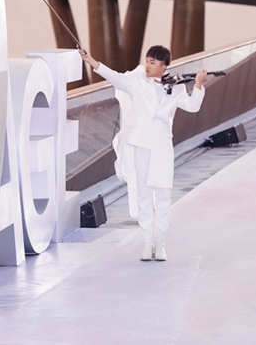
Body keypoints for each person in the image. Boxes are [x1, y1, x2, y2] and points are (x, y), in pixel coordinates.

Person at [79, 45, 207, 261]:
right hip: (140, 144)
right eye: (147, 60)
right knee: (144, 194)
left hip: (162, 145)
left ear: (163, 67)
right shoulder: (136, 82)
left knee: (163, 195)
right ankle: (147, 243)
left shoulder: (175, 87)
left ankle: (161, 243)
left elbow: (192, 106)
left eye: (152, 62)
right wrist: (91, 61)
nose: (147, 65)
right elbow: (115, 77)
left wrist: (199, 85)